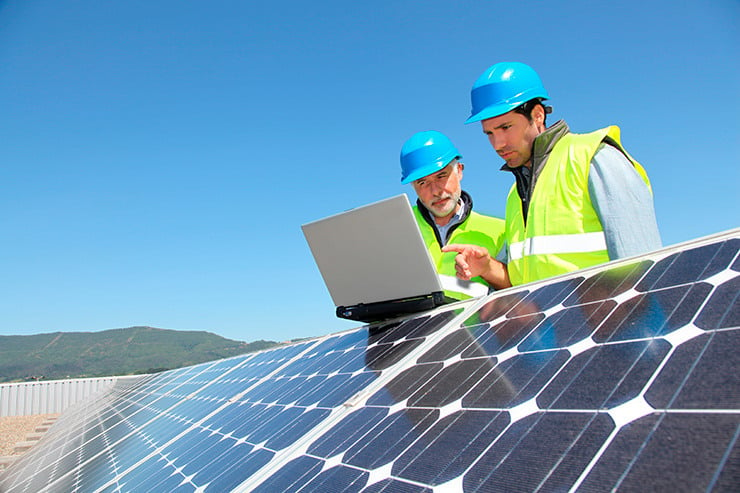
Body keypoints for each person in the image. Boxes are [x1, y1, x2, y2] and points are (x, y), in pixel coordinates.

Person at [443, 62, 661, 287]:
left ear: (537, 116)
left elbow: (643, 270)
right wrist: (488, 268)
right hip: (548, 323)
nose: (498, 144)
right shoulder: (515, 195)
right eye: (489, 133)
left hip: (611, 319)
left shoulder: (593, 157)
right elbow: (521, 287)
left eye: (506, 127)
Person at [400, 130, 507, 299]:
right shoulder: (398, 226)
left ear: (459, 170)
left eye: (441, 176)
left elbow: (520, 292)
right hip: (400, 325)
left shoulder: (500, 231)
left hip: (470, 325)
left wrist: (488, 268)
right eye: (423, 182)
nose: (435, 191)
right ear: (413, 186)